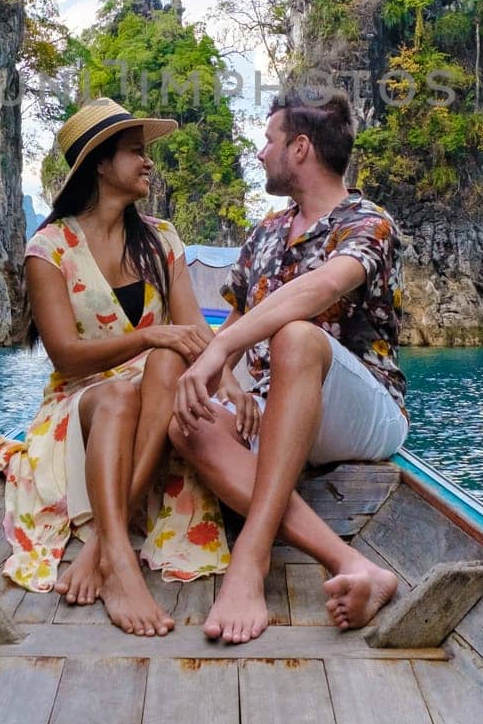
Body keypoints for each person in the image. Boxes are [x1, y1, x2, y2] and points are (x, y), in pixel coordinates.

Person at [0, 97, 259, 638]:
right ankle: (122, 567)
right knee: (124, 389)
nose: (148, 162)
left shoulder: (162, 238)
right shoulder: (50, 248)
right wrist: (150, 335)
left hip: (156, 390)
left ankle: (105, 547)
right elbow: (64, 355)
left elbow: (193, 331)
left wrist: (229, 382)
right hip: (82, 398)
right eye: (135, 152)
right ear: (100, 165)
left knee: (164, 363)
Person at [170, 87, 407, 644]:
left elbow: (317, 289)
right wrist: (227, 382)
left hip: (362, 408)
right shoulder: (266, 233)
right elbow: (234, 321)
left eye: (268, 142)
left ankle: (250, 562)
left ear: (300, 148)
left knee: (297, 337)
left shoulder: (368, 222)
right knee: (187, 421)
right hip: (279, 407)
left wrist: (218, 352)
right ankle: (354, 563)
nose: (260, 154)